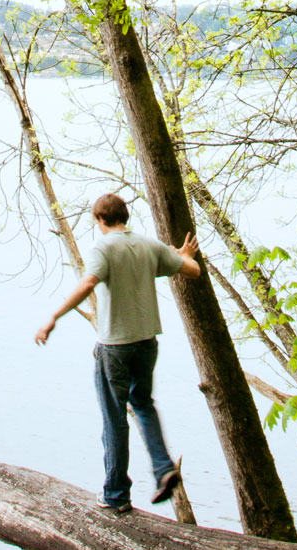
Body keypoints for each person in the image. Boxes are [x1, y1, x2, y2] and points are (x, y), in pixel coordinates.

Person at [34, 190, 201, 513]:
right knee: (143, 405)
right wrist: (184, 255)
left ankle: (116, 494)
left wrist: (54, 317)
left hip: (114, 348)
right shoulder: (149, 245)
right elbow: (192, 270)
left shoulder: (103, 248)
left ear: (100, 219)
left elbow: (88, 283)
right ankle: (163, 468)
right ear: (125, 216)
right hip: (147, 343)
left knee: (114, 420)